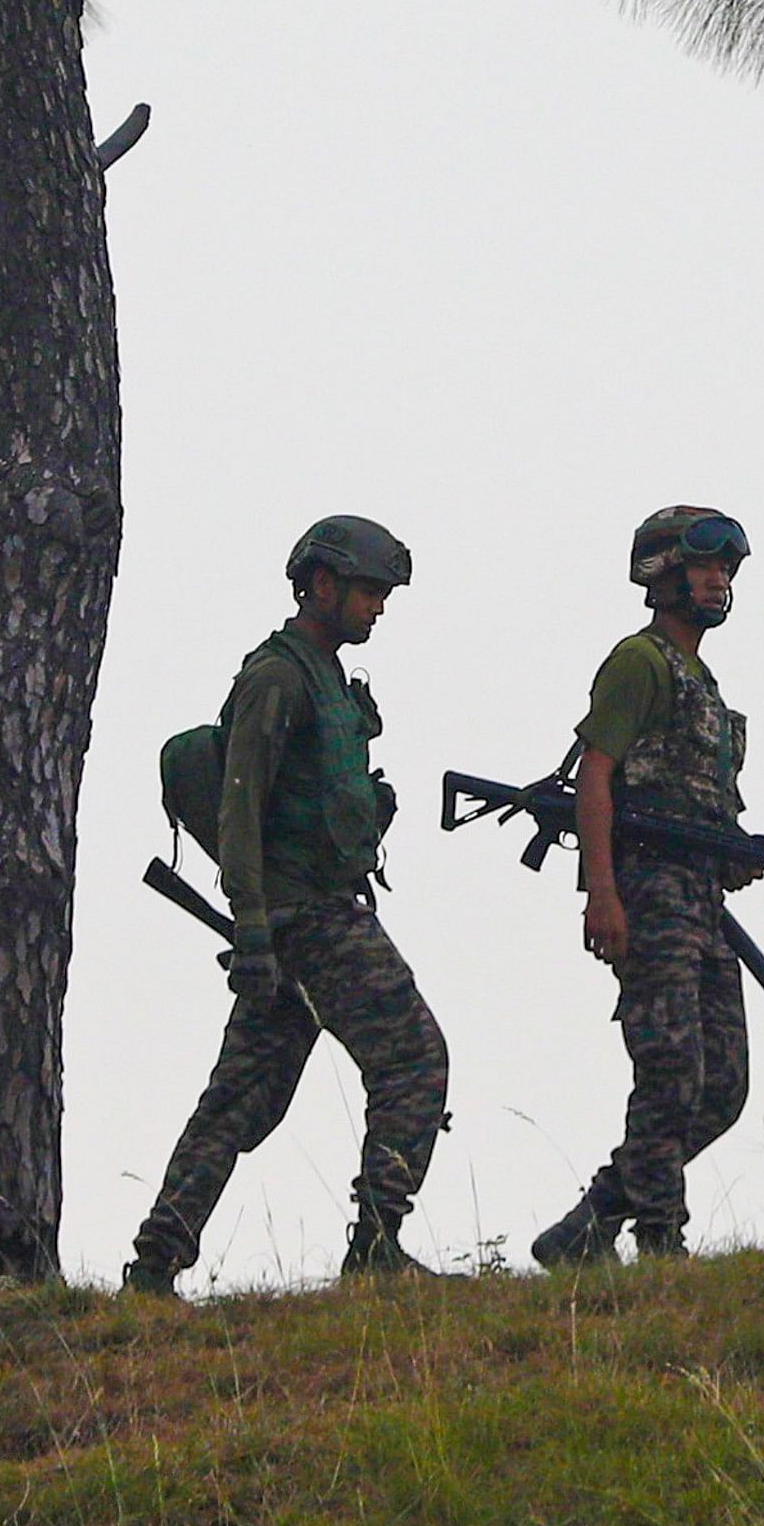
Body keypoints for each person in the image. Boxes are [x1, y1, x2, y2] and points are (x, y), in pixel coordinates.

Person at [124, 517, 451, 1296]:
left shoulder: (326, 680)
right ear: (321, 584)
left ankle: (153, 1264)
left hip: (305, 915)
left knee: (240, 1098)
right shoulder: (277, 678)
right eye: (367, 591)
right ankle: (375, 1248)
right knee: (412, 1059)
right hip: (310, 922)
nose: (377, 607)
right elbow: (240, 809)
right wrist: (252, 929)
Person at [533, 508, 761, 1268]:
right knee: (668, 1072)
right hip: (649, 890)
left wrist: (738, 853)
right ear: (661, 574)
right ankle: (661, 1245)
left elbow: (702, 800)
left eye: (725, 569)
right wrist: (602, 894)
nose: (717, 581)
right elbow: (595, 776)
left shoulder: (704, 683)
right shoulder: (639, 662)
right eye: (704, 567)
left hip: (702, 899)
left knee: (721, 1085)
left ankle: (592, 1218)